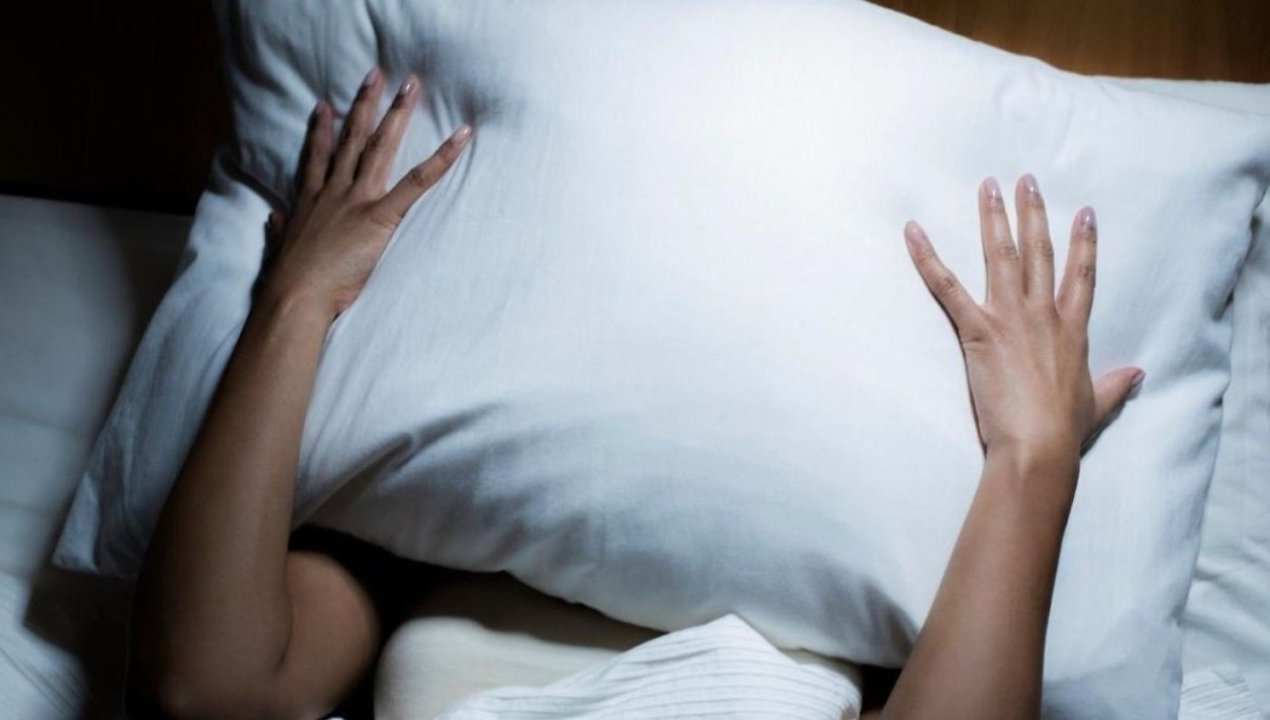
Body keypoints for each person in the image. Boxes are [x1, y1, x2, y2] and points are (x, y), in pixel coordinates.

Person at [124, 67, 1145, 720]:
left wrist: (1032, 459)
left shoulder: (853, 578)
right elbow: (209, 690)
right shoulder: (425, 522)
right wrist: (298, 301)